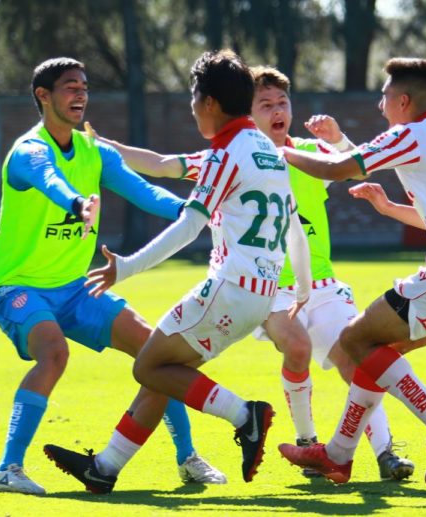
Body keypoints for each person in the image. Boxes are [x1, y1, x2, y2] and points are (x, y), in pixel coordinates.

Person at [42, 49, 312, 494]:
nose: (190, 107)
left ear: (208, 102)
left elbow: (189, 226)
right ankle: (104, 469)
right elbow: (294, 229)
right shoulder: (266, 150)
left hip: (229, 290)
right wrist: (299, 285)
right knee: (168, 371)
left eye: (193, 97)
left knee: (149, 366)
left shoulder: (228, 155)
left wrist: (126, 267)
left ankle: (246, 416)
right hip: (259, 294)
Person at [0, 57, 224, 496]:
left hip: (77, 288)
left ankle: (188, 458)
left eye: (84, 87)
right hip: (18, 285)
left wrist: (195, 213)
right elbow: (48, 179)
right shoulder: (29, 151)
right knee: (53, 354)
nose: (80, 95)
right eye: (70, 87)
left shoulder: (96, 151)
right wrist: (76, 203)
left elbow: (144, 191)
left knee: (156, 354)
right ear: (43, 96)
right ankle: (6, 469)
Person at [276, 57, 426, 484]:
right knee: (381, 355)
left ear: (403, 101)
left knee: (354, 339)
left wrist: (275, 149)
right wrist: (386, 207)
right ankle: (338, 455)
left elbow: (333, 168)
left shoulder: (410, 135)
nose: (380, 107)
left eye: (384, 97)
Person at [247, 65, 414, 481]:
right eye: (265, 104)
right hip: (271, 290)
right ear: (247, 114)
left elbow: (358, 167)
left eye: (282, 102)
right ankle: (308, 445)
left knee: (355, 362)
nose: (277, 110)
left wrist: (337, 139)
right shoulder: (240, 157)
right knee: (298, 349)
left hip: (321, 286)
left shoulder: (306, 150)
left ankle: (386, 453)